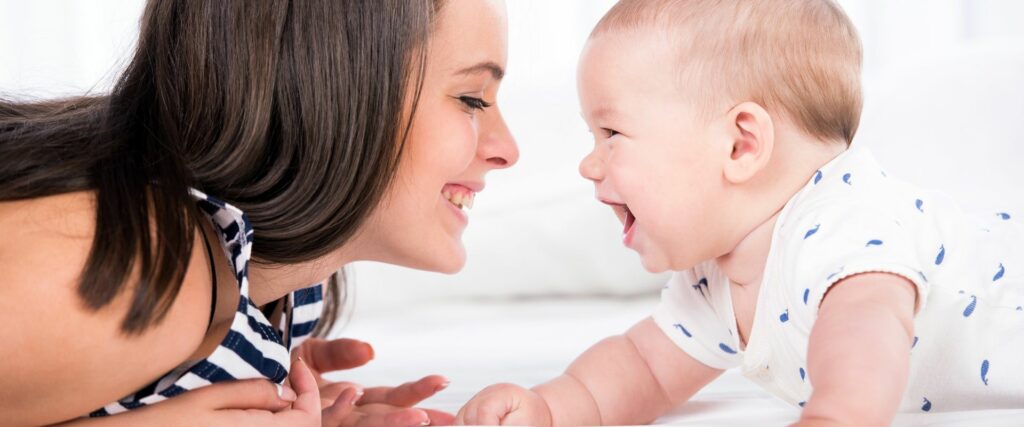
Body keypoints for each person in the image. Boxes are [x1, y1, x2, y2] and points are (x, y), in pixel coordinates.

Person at [455, 0, 1023, 425]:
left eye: (611, 133)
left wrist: (836, 415)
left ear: (740, 145)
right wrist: (550, 408)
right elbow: (644, 368)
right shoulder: (718, 277)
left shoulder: (843, 223)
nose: (588, 165)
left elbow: (867, 330)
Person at [0, 0, 517, 425]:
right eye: (472, 99)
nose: (508, 149)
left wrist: (264, 386)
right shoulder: (146, 262)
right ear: (329, 91)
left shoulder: (286, 286)